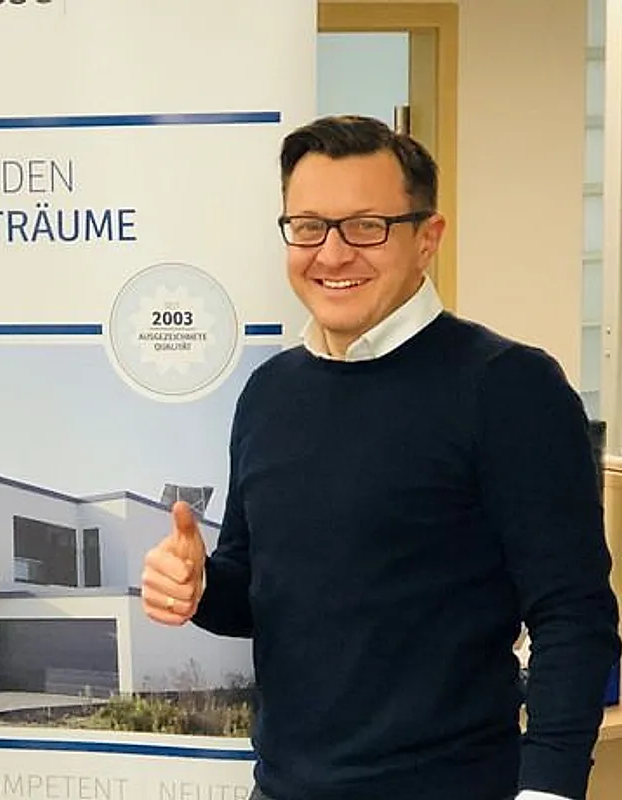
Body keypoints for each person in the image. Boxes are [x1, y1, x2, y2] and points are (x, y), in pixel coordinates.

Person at [142, 114, 621, 800]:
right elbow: (257, 594)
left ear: (427, 238)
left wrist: (547, 787)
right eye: (309, 226)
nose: (332, 254)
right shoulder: (270, 393)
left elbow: (573, 613)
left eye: (367, 226)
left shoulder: (509, 387)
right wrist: (197, 588)